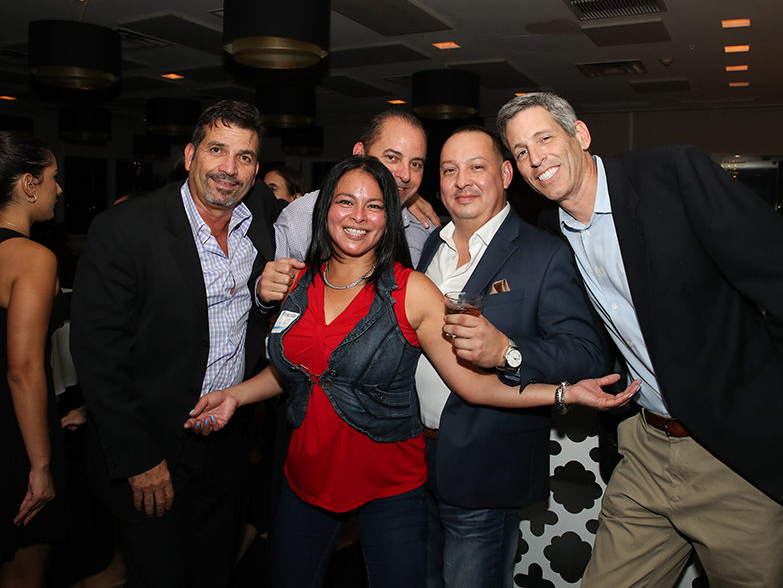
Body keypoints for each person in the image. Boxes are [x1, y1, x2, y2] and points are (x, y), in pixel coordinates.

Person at [185, 156, 637, 588]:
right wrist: (235, 396)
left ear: (388, 219)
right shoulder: (300, 283)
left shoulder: (412, 290)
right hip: (305, 480)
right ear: (325, 211)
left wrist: (565, 394)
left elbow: (473, 386)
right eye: (346, 202)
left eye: (374, 205)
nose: (358, 216)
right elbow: (300, 371)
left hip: (390, 488)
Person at [497, 92, 783, 587]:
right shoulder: (552, 228)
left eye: (544, 138)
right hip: (645, 449)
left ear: (580, 135)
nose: (536, 159)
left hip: (737, 456)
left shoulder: (672, 175)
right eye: (521, 152)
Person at [70, 100, 281, 588]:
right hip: (154, 444)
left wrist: (402, 198)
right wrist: (139, 460)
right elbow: (99, 356)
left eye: (245, 157)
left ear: (256, 171)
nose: (230, 168)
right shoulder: (126, 229)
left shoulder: (261, 219)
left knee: (215, 571)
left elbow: (327, 210)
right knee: (159, 575)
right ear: (190, 155)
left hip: (227, 440)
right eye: (217, 150)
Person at [415, 126, 605, 588]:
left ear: (505, 174)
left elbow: (585, 354)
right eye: (449, 170)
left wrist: (508, 351)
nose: (462, 181)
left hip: (486, 464)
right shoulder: (430, 246)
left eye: (476, 167)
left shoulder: (545, 254)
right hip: (414, 460)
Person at [261, 110, 438, 305]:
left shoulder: (423, 228)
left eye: (416, 164)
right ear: (360, 154)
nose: (406, 175)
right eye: (392, 157)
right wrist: (263, 292)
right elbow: (270, 289)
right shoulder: (303, 215)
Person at [0, 132, 64, 588]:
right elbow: (23, 370)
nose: (58, 189)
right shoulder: (32, 258)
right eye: (52, 178)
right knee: (24, 569)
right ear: (28, 184)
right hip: (14, 430)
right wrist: (40, 464)